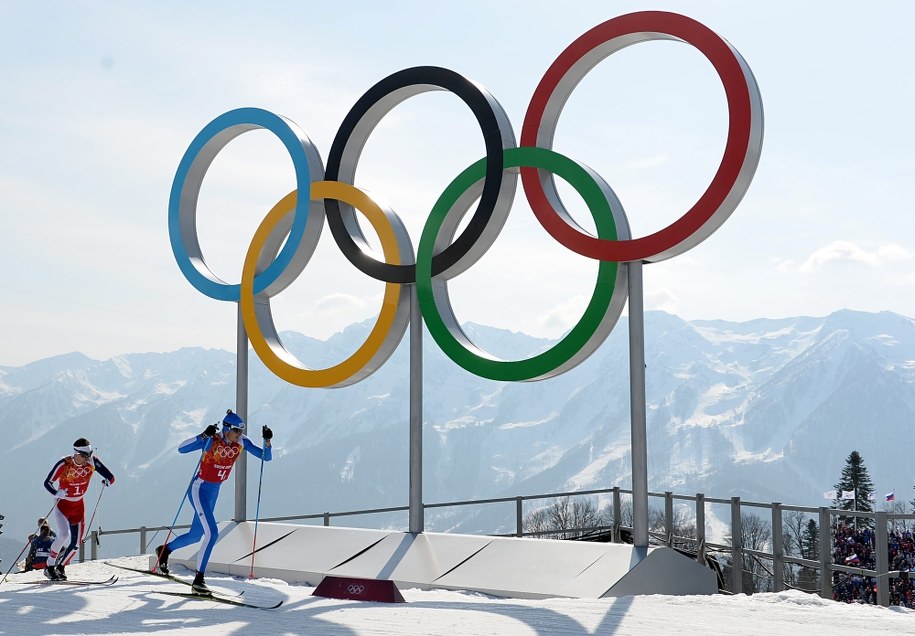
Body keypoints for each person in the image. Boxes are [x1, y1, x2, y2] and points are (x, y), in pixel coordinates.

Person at [155, 409, 272, 595]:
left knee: (196, 535)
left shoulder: (242, 442)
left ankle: (164, 550)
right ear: (226, 429)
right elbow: (181, 449)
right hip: (199, 490)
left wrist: (267, 441)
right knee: (212, 533)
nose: (239, 434)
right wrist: (202, 435)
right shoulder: (212, 440)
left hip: (213, 492)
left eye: (241, 431)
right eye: (236, 430)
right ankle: (198, 580)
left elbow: (266, 457)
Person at [42, 438, 115, 580]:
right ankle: (49, 566)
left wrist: (107, 482)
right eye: (84, 455)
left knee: (76, 544)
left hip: (78, 506)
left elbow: (111, 477)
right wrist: (56, 492)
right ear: (76, 453)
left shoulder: (92, 462)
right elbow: (47, 482)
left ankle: (61, 567)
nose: (87, 458)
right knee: (64, 535)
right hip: (62, 506)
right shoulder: (64, 463)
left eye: (89, 455)